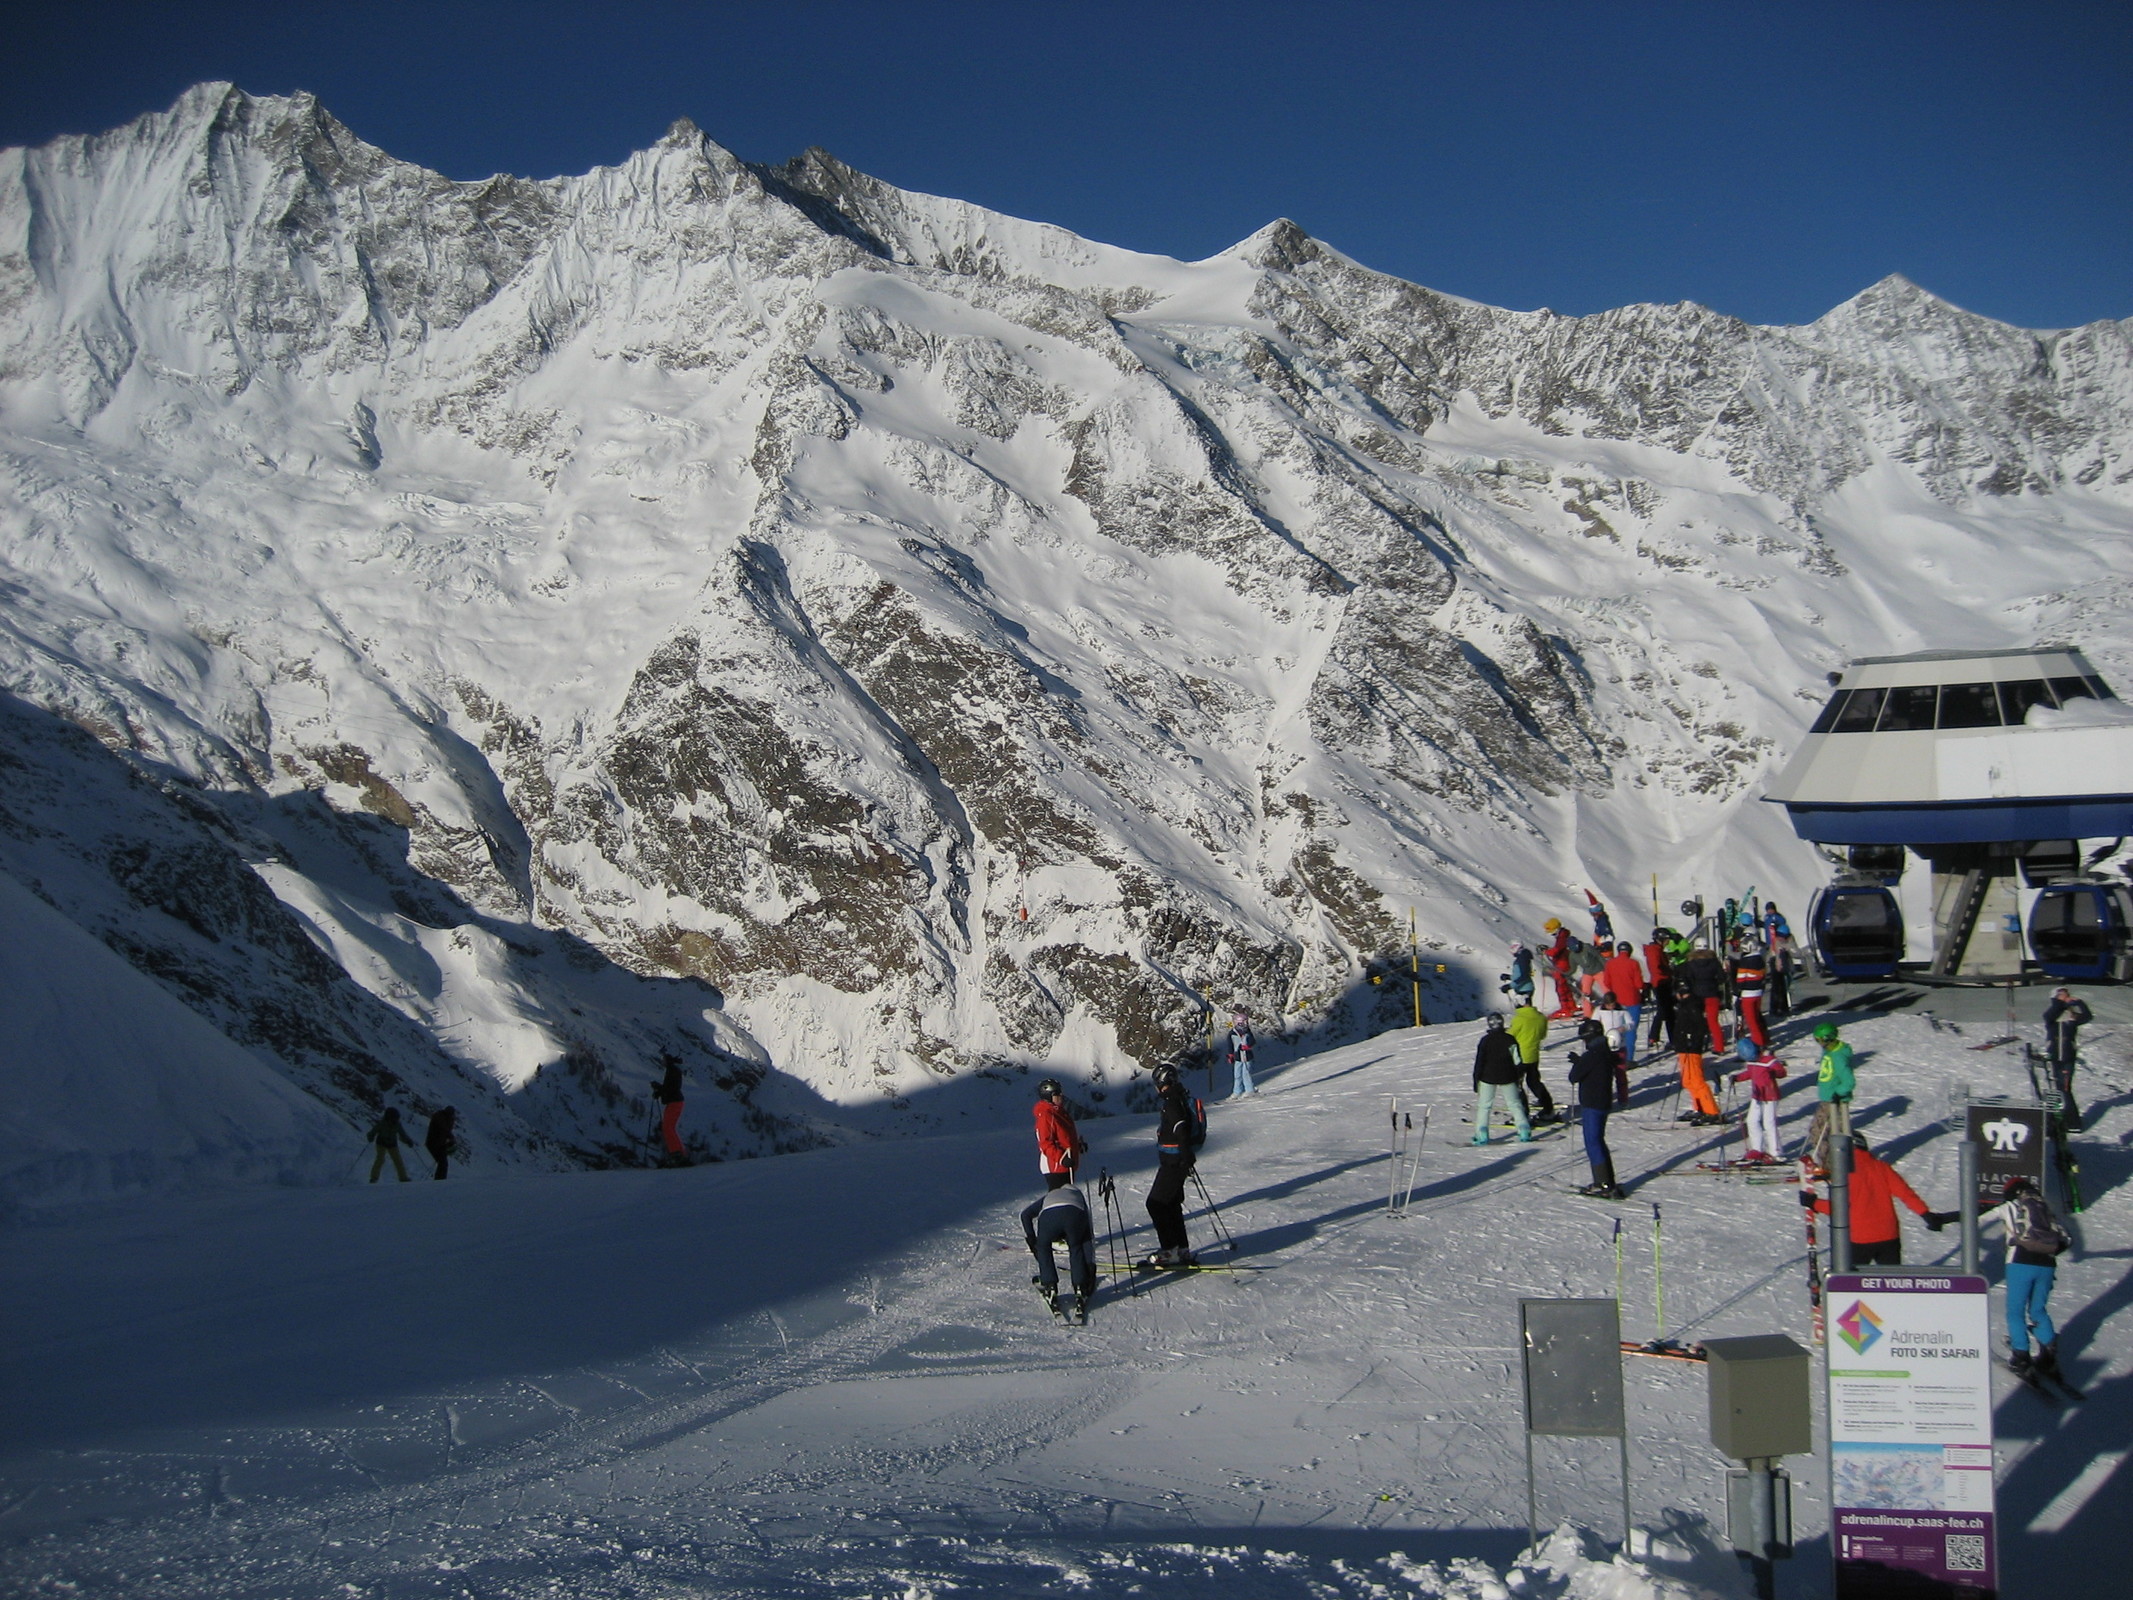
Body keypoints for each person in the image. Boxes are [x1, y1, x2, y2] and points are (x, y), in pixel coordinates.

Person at [1800, 1135, 1953, 1266]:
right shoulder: (1882, 1167)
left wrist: (1813, 1203)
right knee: (1890, 1284)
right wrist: (1925, 1214)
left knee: (1853, 1286)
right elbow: (1906, 1194)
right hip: (1889, 1236)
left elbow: (1839, 1208)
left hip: (1859, 1239)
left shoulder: (1844, 1173)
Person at [1988, 1175, 2071, 1378]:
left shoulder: (2009, 1207)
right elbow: (2067, 1239)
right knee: (2038, 1310)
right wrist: (2046, 1252)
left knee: (2015, 1311)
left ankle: (2021, 1356)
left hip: (2019, 1263)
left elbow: (1976, 1218)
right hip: (2047, 1264)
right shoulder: (2044, 1208)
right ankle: (2048, 1356)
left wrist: (1941, 1218)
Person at [1143, 1065, 1198, 1266]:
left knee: (1155, 1204)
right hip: (1178, 1161)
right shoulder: (1179, 1096)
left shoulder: (1172, 1102)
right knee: (1172, 1204)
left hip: (1174, 1161)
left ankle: (1169, 1250)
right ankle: (1181, 1248)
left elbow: (1181, 1128)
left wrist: (1185, 1156)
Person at [1022, 1181, 1098, 1318]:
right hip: (1073, 1217)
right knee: (1076, 1247)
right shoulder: (1079, 1198)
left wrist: (1032, 1240)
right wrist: (1089, 1268)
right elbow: (1087, 1238)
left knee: (1044, 1247)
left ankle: (1049, 1286)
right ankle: (1080, 1288)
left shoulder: (1049, 1196)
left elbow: (1025, 1215)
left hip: (1048, 1218)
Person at [1568, 1018, 1624, 1197]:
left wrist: (1579, 1063)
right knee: (1598, 1140)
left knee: (1593, 1142)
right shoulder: (1605, 1051)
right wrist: (1581, 1061)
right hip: (1603, 1101)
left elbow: (1574, 1077)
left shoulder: (1592, 1055)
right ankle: (1608, 1181)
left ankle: (1603, 1183)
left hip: (1592, 1103)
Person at [1472, 1013, 1535, 1144]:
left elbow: (1479, 1062)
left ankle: (1481, 1133)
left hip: (1487, 1077)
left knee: (1484, 1106)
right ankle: (1524, 1130)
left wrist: (1476, 1079)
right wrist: (1518, 1076)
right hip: (1508, 1076)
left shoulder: (1485, 1041)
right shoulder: (1510, 1039)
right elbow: (1518, 1061)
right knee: (1515, 1104)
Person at [1806, 1022, 1855, 1171]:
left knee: (1826, 1133)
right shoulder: (1829, 1050)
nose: (1820, 1044)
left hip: (1835, 1102)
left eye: (1822, 1040)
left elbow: (1849, 1081)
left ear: (1830, 1039)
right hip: (1827, 1099)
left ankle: (1832, 1166)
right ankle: (1829, 1164)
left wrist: (1838, 1093)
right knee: (1818, 1131)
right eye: (1817, 1040)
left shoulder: (1838, 1056)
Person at [2042, 988, 2093, 1126]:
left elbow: (2087, 1016)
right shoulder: (2052, 1015)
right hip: (2054, 1057)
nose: (2067, 997)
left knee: (2065, 1089)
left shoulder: (2072, 1016)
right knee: (2056, 1089)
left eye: (2067, 995)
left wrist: (2079, 1002)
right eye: (2063, 995)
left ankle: (2073, 1121)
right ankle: (2057, 1118)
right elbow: (2049, 1016)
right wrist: (2060, 1002)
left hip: (2067, 1058)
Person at [1673, 989, 1721, 1123]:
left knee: (1697, 1080)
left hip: (1691, 1049)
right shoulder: (1685, 1005)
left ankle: (1712, 1111)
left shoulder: (1692, 1005)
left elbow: (1700, 1027)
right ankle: (1699, 1107)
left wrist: (1691, 1039)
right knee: (1687, 1080)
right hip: (1683, 1048)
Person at [1728, 1055, 1787, 1162]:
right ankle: (1757, 1150)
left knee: (1768, 1123)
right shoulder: (1752, 1060)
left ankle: (1776, 1152)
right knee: (1751, 1121)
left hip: (1770, 1095)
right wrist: (1737, 1078)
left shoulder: (1769, 1060)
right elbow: (1750, 1073)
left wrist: (1774, 1073)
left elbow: (1782, 1072)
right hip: (1757, 1096)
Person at [1506, 998, 1556, 1123]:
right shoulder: (1541, 1017)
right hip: (1533, 1055)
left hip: (1519, 1056)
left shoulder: (1519, 1018)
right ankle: (1548, 1108)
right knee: (1534, 1082)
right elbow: (1542, 1035)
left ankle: (1522, 1113)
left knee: (1516, 1085)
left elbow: (1510, 1036)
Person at [1034, 1078, 1086, 1189]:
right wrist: (1061, 1158)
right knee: (1060, 1198)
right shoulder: (1046, 1115)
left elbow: (1064, 1138)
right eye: (1057, 1093)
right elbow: (1045, 1143)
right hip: (1055, 1166)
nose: (1061, 1096)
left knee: (1067, 1196)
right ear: (1048, 1096)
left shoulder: (1058, 1112)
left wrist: (1077, 1146)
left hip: (1065, 1165)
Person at [1602, 940, 1646, 1064]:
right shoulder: (1633, 963)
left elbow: (1606, 982)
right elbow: (1639, 984)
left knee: (1615, 1029)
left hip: (1616, 1001)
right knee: (1630, 1029)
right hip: (1632, 1000)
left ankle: (1614, 1055)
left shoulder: (1610, 963)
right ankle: (1629, 1058)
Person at [1679, 944, 1728, 1054]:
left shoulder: (1690, 963)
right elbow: (1722, 978)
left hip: (1696, 996)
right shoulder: (1714, 961)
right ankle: (1719, 1047)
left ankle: (1696, 1045)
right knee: (1713, 1022)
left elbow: (1687, 979)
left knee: (1696, 1022)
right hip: (1712, 994)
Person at [1593, 994, 1632, 1105]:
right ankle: (1606, 1098)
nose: (1610, 1007)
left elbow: (1631, 1023)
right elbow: (1594, 1023)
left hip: (1620, 1045)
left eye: (1612, 1004)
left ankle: (1623, 1099)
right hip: (1605, 1046)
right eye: (1608, 1005)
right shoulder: (1599, 1010)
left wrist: (1624, 1028)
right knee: (1605, 1074)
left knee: (1620, 1073)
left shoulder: (1622, 1009)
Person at [1642, 928, 1677, 1053]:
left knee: (1665, 1011)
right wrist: (1668, 971)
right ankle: (1661, 1037)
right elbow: (1656, 968)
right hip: (1661, 983)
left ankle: (1656, 1036)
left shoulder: (1657, 950)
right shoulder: (1654, 950)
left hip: (1662, 982)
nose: (1668, 942)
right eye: (1667, 940)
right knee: (1666, 1012)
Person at [1730, 940, 1768, 1052]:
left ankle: (1758, 1045)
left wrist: (1737, 992)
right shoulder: (1760, 959)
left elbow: (1741, 980)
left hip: (1748, 994)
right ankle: (1764, 1040)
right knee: (1757, 1018)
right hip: (1758, 992)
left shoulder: (1745, 961)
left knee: (1751, 1022)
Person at [652, 1057, 687, 1163]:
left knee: (667, 1127)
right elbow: (671, 1087)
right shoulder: (673, 1070)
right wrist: (660, 1091)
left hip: (674, 1102)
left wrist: (659, 1089)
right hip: (675, 1102)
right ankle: (680, 1153)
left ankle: (676, 1154)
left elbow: (671, 1088)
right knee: (669, 1127)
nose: (662, 1062)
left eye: (663, 1060)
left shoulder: (672, 1071)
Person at [1762, 904, 1794, 1018]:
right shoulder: (1767, 920)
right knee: (1776, 986)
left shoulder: (1778, 920)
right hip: (1774, 960)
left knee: (1783, 985)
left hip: (1782, 961)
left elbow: (1795, 951)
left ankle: (1782, 1006)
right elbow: (1771, 952)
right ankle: (1775, 1008)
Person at [368, 1107, 414, 1183]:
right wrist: (370, 1137)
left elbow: (403, 1135)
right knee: (380, 1159)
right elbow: (373, 1131)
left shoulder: (397, 1125)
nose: (395, 1120)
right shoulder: (382, 1124)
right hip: (381, 1143)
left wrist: (408, 1141)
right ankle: (374, 1178)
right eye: (394, 1118)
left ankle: (403, 1177)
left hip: (392, 1144)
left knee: (398, 1160)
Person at [1542, 919, 1576, 1016]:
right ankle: (1571, 1005)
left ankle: (1565, 1008)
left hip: (1562, 964)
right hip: (1563, 962)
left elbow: (1557, 950)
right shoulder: (1563, 936)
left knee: (1560, 987)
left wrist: (1547, 951)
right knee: (1565, 986)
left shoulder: (1562, 938)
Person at [1571, 937, 1608, 1018]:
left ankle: (1610, 1007)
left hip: (1598, 970)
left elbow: (1598, 956)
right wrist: (1565, 973)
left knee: (1606, 989)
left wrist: (1606, 967)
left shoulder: (1587, 947)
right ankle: (1587, 1014)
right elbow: (1572, 968)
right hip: (1587, 973)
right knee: (1585, 993)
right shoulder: (1572, 955)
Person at [1227, 1011, 1258, 1099]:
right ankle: (1237, 1091)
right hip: (1238, 1056)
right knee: (1237, 1074)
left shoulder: (1247, 1032)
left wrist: (1247, 1046)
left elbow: (1252, 1041)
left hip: (1247, 1056)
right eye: (1244, 1022)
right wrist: (1230, 1055)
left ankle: (1249, 1090)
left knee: (1246, 1073)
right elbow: (1230, 1045)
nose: (1245, 1024)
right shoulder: (1232, 1033)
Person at [423, 1105, 457, 1181]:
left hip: (438, 1144)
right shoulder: (440, 1117)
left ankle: (439, 1180)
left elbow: (445, 1131)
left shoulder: (443, 1117)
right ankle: (439, 1181)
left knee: (443, 1163)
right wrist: (451, 1138)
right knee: (443, 1163)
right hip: (434, 1143)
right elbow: (444, 1129)